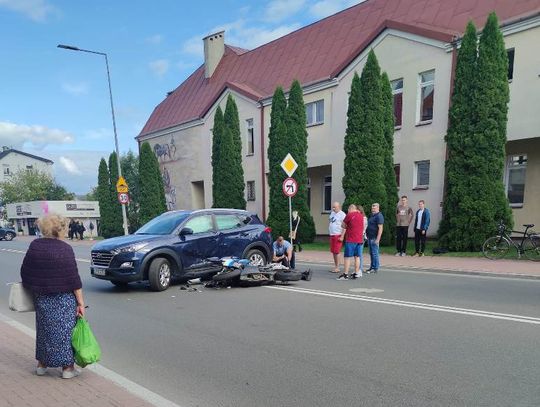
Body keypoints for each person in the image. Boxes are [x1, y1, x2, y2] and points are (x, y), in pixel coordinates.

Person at [20, 214, 85, 379]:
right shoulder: (65, 249)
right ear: (61, 229)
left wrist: (36, 287)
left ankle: (42, 365)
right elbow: (73, 279)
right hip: (63, 299)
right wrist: (80, 302)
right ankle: (67, 369)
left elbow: (25, 272)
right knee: (65, 332)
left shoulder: (35, 245)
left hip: (42, 297)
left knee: (44, 331)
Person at [337, 204, 364, 280]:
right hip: (359, 240)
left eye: (348, 210)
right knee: (357, 257)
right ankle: (356, 273)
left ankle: (345, 274)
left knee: (347, 257)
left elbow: (343, 225)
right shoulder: (361, 216)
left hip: (351, 239)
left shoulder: (349, 215)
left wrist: (348, 226)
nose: (348, 211)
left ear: (350, 209)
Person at [366, 203, 384, 274]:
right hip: (370, 237)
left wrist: (378, 239)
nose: (373, 209)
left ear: (378, 208)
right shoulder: (372, 216)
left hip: (374, 238)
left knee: (375, 253)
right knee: (371, 253)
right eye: (372, 208)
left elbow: (380, 228)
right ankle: (371, 267)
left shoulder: (379, 216)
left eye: (374, 208)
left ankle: (375, 268)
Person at [328, 202, 346, 273]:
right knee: (333, 251)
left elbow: (345, 227)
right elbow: (331, 222)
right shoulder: (332, 213)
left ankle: (337, 267)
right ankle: (336, 266)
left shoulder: (342, 215)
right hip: (332, 234)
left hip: (338, 234)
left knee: (337, 251)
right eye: (333, 207)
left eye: (335, 207)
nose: (333, 208)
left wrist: (342, 236)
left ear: (339, 207)